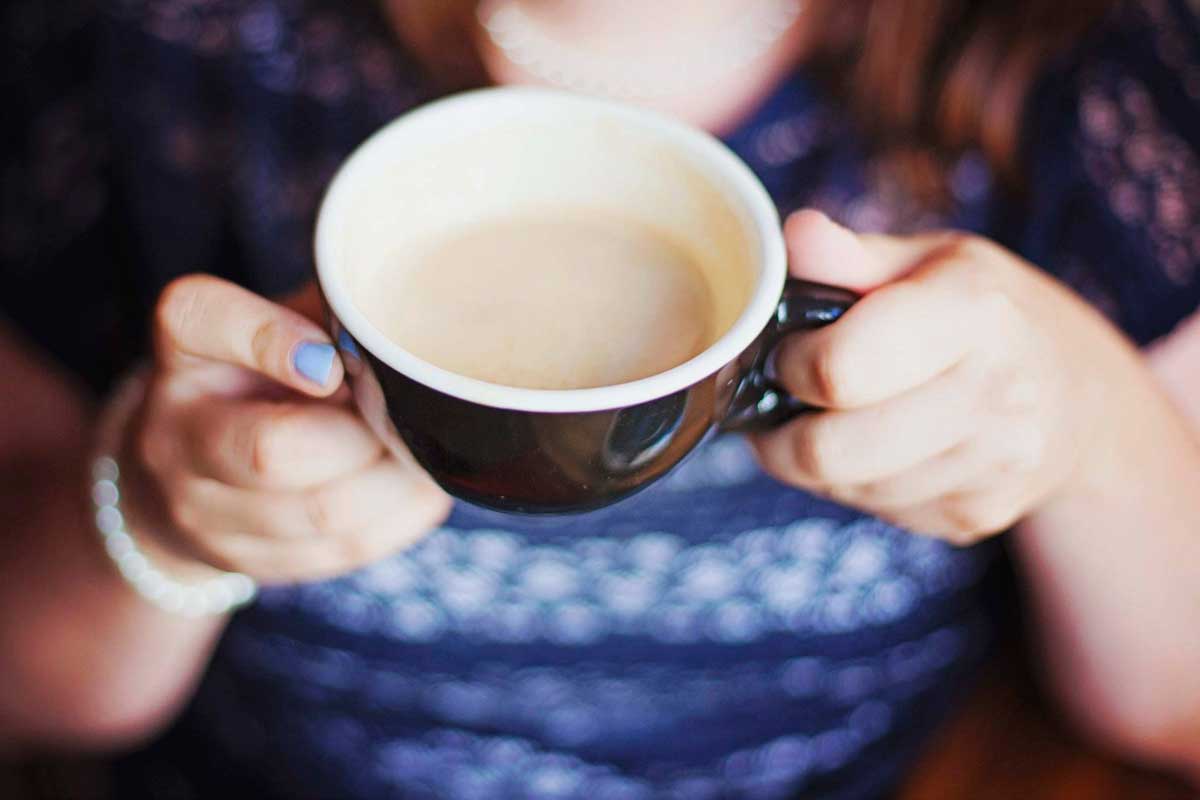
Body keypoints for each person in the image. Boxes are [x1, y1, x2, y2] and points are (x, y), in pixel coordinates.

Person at [2, 0, 1198, 797]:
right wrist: (153, 518)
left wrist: (1087, 414)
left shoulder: (1094, 71)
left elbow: (1175, 704)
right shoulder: (135, 47)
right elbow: (28, 696)